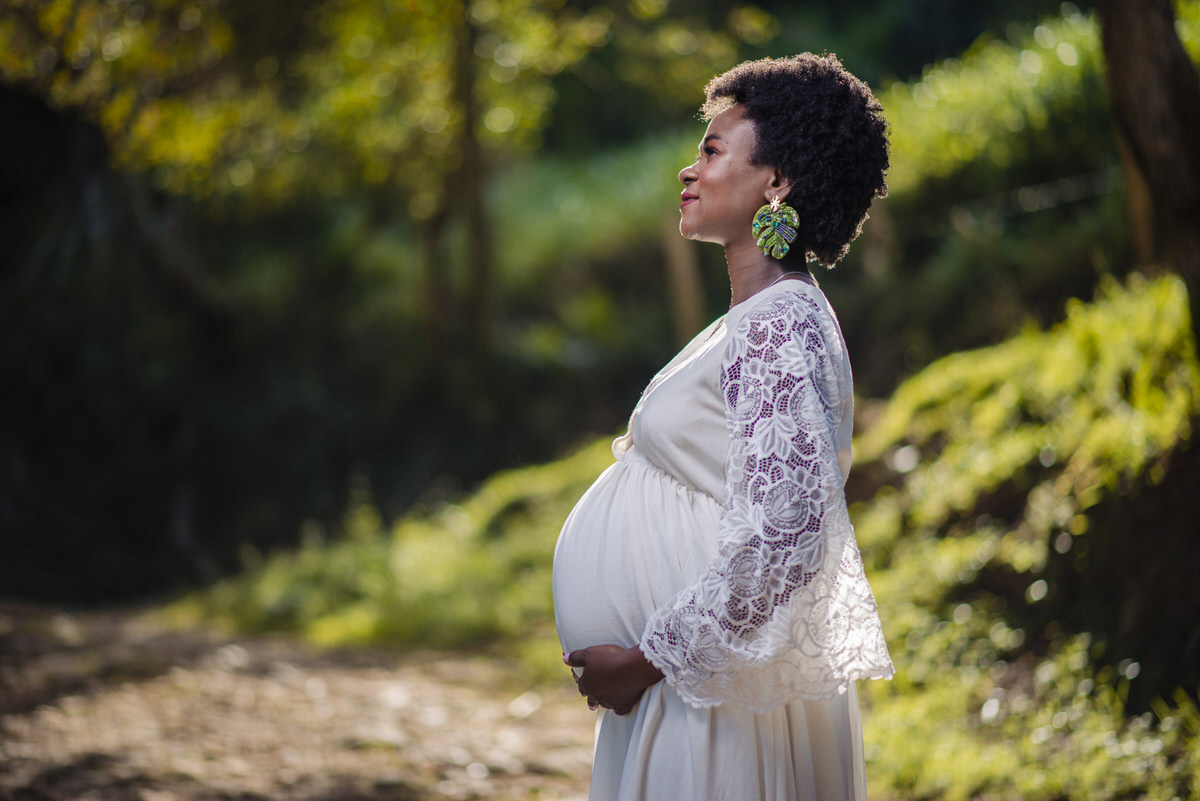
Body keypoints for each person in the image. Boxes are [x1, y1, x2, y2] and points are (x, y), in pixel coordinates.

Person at [552, 53, 894, 801]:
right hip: (697, 691)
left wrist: (646, 660)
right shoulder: (759, 318)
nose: (688, 169)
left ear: (777, 182)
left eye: (711, 151)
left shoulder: (780, 323)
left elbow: (787, 536)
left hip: (713, 707)